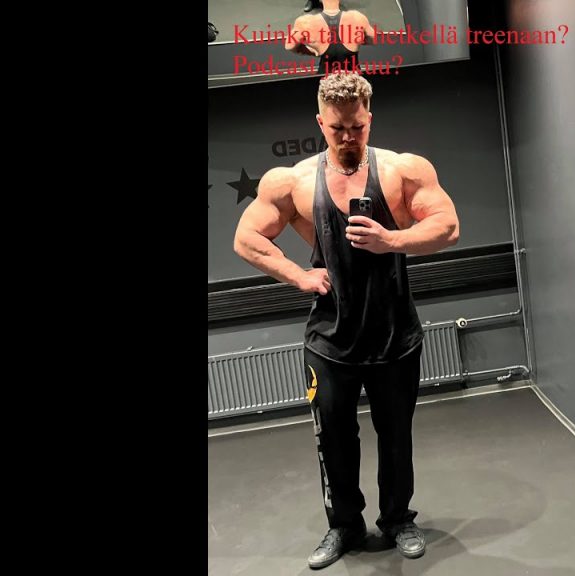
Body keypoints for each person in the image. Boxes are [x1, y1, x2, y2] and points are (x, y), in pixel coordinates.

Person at [233, 72, 459, 569]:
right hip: (330, 342)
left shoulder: (403, 170)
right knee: (333, 440)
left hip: (394, 335)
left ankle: (397, 519)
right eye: (338, 129)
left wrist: (391, 240)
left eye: (357, 127)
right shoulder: (291, 181)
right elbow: (246, 238)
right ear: (321, 123)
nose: (348, 137)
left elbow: (448, 225)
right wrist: (297, 275)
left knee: (396, 436)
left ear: (369, 119)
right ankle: (344, 526)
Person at [286, 0, 374, 75]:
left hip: (326, 82)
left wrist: (312, 52)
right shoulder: (358, 18)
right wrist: (355, 40)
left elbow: (290, 46)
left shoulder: (305, 22)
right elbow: (372, 39)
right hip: (354, 81)